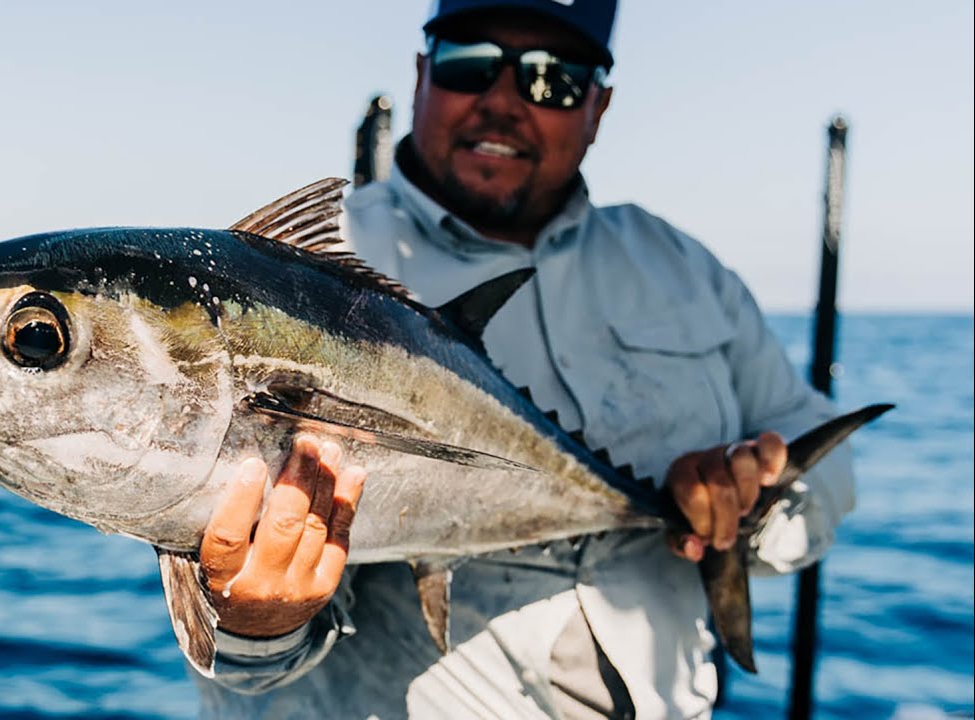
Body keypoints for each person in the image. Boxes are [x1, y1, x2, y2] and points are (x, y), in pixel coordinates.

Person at [188, 1, 855, 717]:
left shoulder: (683, 269)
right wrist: (258, 623)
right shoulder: (305, 269)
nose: (502, 102)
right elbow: (244, 668)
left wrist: (751, 497)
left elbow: (828, 475)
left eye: (554, 80)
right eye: (468, 63)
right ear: (420, 73)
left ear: (598, 106)